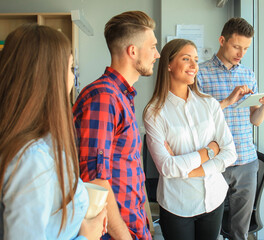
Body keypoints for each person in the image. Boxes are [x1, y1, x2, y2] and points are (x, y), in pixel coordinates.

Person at [0, 24, 107, 239]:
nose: (72, 78)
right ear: (49, 77)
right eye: (70, 69)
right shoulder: (31, 159)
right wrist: (87, 236)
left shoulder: (39, 143)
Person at [73, 11, 160, 240]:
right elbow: (95, 179)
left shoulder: (121, 96)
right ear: (133, 51)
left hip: (133, 226)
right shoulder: (103, 97)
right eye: (152, 47)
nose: (157, 54)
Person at [143, 39, 238, 240]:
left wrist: (191, 170)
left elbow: (230, 152)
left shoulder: (209, 104)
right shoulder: (154, 112)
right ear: (168, 64)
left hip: (214, 198)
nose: (194, 66)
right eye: (186, 59)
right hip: (178, 204)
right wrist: (210, 151)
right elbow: (167, 168)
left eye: (196, 59)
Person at [197, 17, 264, 240]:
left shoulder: (248, 74)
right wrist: (228, 100)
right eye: (236, 46)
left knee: (240, 232)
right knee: (209, 227)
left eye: (245, 48)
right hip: (215, 161)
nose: (240, 53)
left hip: (246, 160)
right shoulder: (200, 73)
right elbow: (198, 120)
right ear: (222, 40)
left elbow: (256, 120)